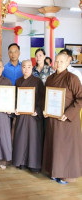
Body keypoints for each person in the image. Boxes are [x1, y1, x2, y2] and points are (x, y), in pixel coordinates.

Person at [42, 53, 82, 184]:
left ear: (67, 63)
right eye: (57, 61)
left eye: (61, 61)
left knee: (65, 148)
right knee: (54, 146)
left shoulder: (73, 78)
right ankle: (54, 172)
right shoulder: (50, 78)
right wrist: (45, 109)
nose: (58, 64)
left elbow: (80, 98)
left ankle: (66, 175)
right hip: (53, 119)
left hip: (67, 120)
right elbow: (45, 97)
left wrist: (69, 113)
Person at [13, 60, 45, 173]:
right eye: (24, 67)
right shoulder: (18, 81)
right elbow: (15, 98)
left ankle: (33, 164)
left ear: (32, 68)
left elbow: (42, 99)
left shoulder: (38, 82)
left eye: (28, 67)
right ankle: (21, 162)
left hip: (33, 116)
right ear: (21, 68)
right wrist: (15, 109)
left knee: (33, 139)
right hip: (22, 115)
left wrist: (37, 111)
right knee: (21, 138)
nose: (26, 69)